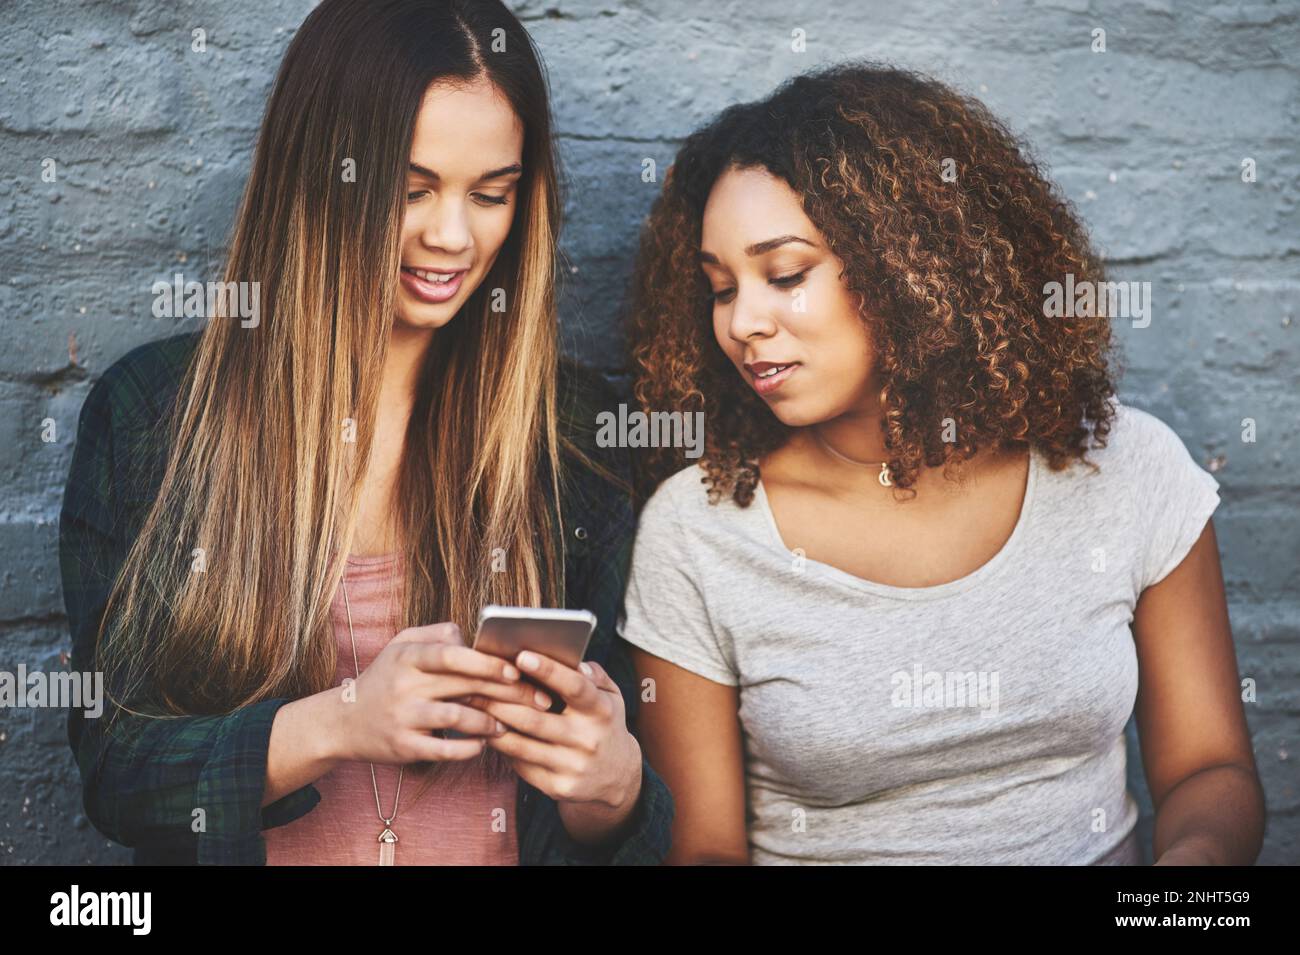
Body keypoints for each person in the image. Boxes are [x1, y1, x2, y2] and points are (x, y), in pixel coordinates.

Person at [59, 0, 670, 866]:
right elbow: (116, 771)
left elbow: (612, 823)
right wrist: (340, 720)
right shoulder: (155, 419)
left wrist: (613, 791)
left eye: (491, 193)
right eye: (411, 189)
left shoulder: (568, 440)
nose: (452, 236)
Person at [618, 63, 1263, 865]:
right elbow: (706, 851)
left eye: (785, 275)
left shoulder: (1125, 469)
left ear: (909, 264)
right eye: (720, 289)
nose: (744, 321)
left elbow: (1211, 769)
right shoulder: (699, 530)